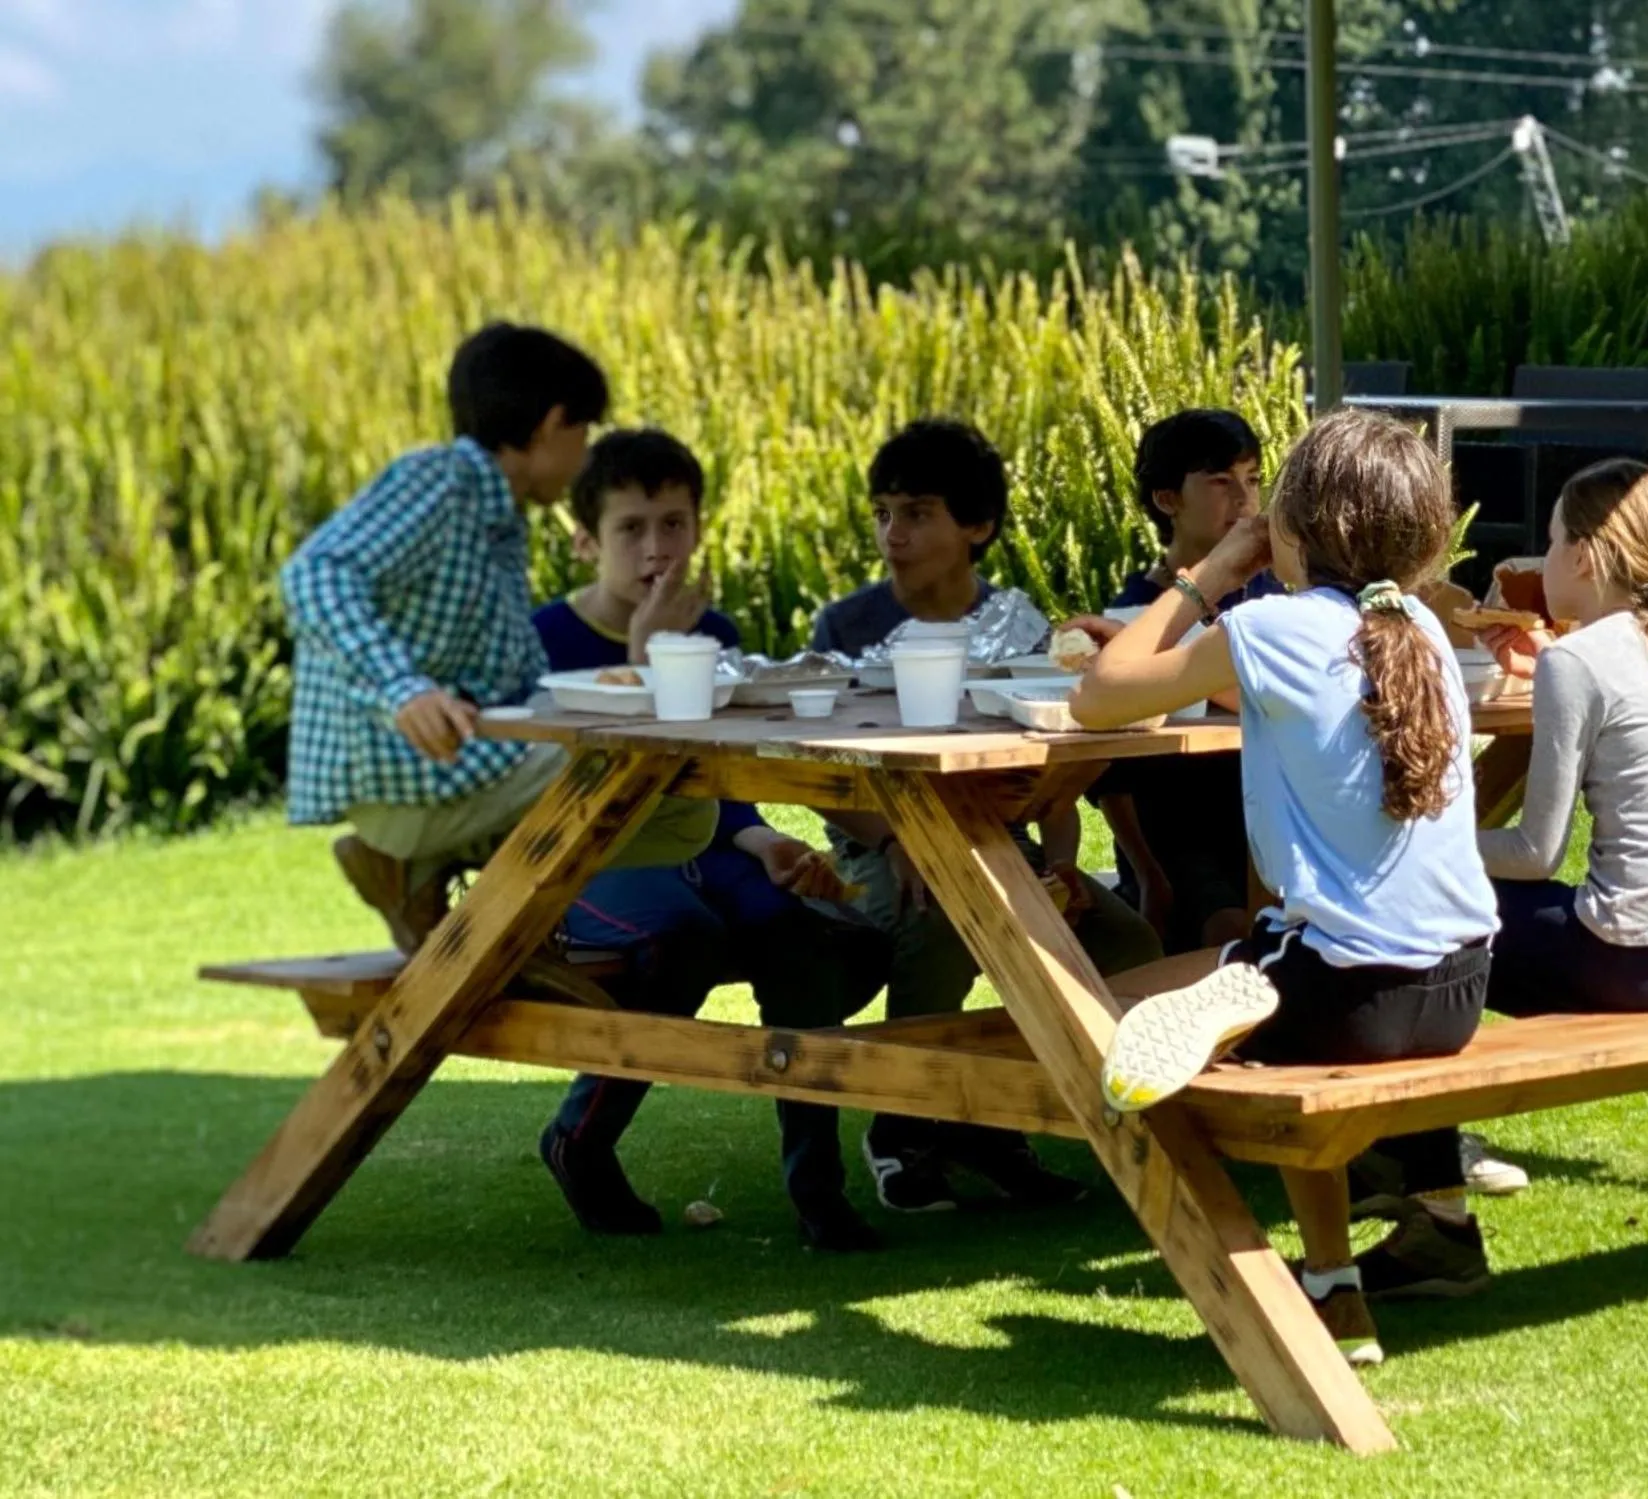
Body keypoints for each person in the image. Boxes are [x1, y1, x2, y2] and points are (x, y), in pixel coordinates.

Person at [1071, 408, 1498, 1366]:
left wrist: (1209, 572)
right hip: (1459, 986)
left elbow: (1098, 694)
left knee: (1099, 1008)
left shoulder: (1270, 626)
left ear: (1293, 529)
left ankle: (1230, 1005)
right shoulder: (1418, 624)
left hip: (1349, 995)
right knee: (1285, 974)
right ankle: (1337, 1278)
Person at [1349, 458, 1648, 1296]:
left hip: (1630, 956)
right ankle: (1401, 1167)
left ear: (1586, 556)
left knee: (1416, 911)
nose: (1541, 560)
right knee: (1451, 914)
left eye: (1550, 542)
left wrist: (1427, 838)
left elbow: (1535, 851)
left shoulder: (1584, 662)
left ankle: (1429, 1203)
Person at [531, 429, 890, 1253]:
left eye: (674, 524)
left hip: (705, 850)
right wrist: (638, 662)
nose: (656, 548)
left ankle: (817, 1189)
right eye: (631, 529)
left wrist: (762, 837)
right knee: (681, 937)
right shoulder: (545, 639)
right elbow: (579, 794)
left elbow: (715, 777)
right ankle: (579, 1134)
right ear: (587, 539)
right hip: (587, 859)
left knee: (805, 937)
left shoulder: (713, 631)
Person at [812, 418, 1163, 1213]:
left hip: (1002, 840)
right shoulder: (847, 628)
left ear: (977, 526)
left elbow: (1053, 758)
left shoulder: (1021, 622)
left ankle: (1005, 1112)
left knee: (1126, 941)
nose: (892, 534)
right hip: (880, 844)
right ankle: (901, 1126)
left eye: (916, 513)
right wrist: (899, 839)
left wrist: (1061, 861)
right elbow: (821, 773)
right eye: (882, 513)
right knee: (938, 918)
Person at [283, 323, 718, 959]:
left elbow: (513, 675)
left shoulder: (502, 516)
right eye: (583, 432)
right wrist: (406, 692)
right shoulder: (442, 482)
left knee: (686, 809)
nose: (585, 452)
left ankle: (457, 886)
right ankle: (452, 883)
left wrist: (636, 669)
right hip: (401, 770)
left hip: (461, 763)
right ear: (550, 425)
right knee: (645, 768)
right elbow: (314, 574)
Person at [1091, 409, 1281, 955]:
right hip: (1174, 833)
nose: (1244, 500)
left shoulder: (1278, 599)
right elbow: (1112, 773)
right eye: (1220, 482)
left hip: (1266, 818)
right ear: (1167, 499)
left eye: (1253, 479)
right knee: (1226, 931)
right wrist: (1147, 873)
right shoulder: (1135, 616)